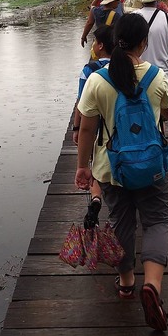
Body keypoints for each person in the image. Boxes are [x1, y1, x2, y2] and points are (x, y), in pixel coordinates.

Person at [74, 13, 168, 331]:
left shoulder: (97, 80)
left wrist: (83, 167)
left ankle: (126, 283)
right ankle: (152, 285)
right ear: (144, 43)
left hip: (111, 170)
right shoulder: (156, 77)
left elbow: (85, 130)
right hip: (152, 168)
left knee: (121, 222)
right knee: (157, 221)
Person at [71, 24, 115, 225]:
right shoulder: (122, 68)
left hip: (93, 130)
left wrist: (77, 129)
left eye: (95, 42)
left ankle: (96, 198)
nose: (93, 45)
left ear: (100, 46)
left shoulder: (89, 70)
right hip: (113, 129)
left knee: (95, 166)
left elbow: (81, 103)